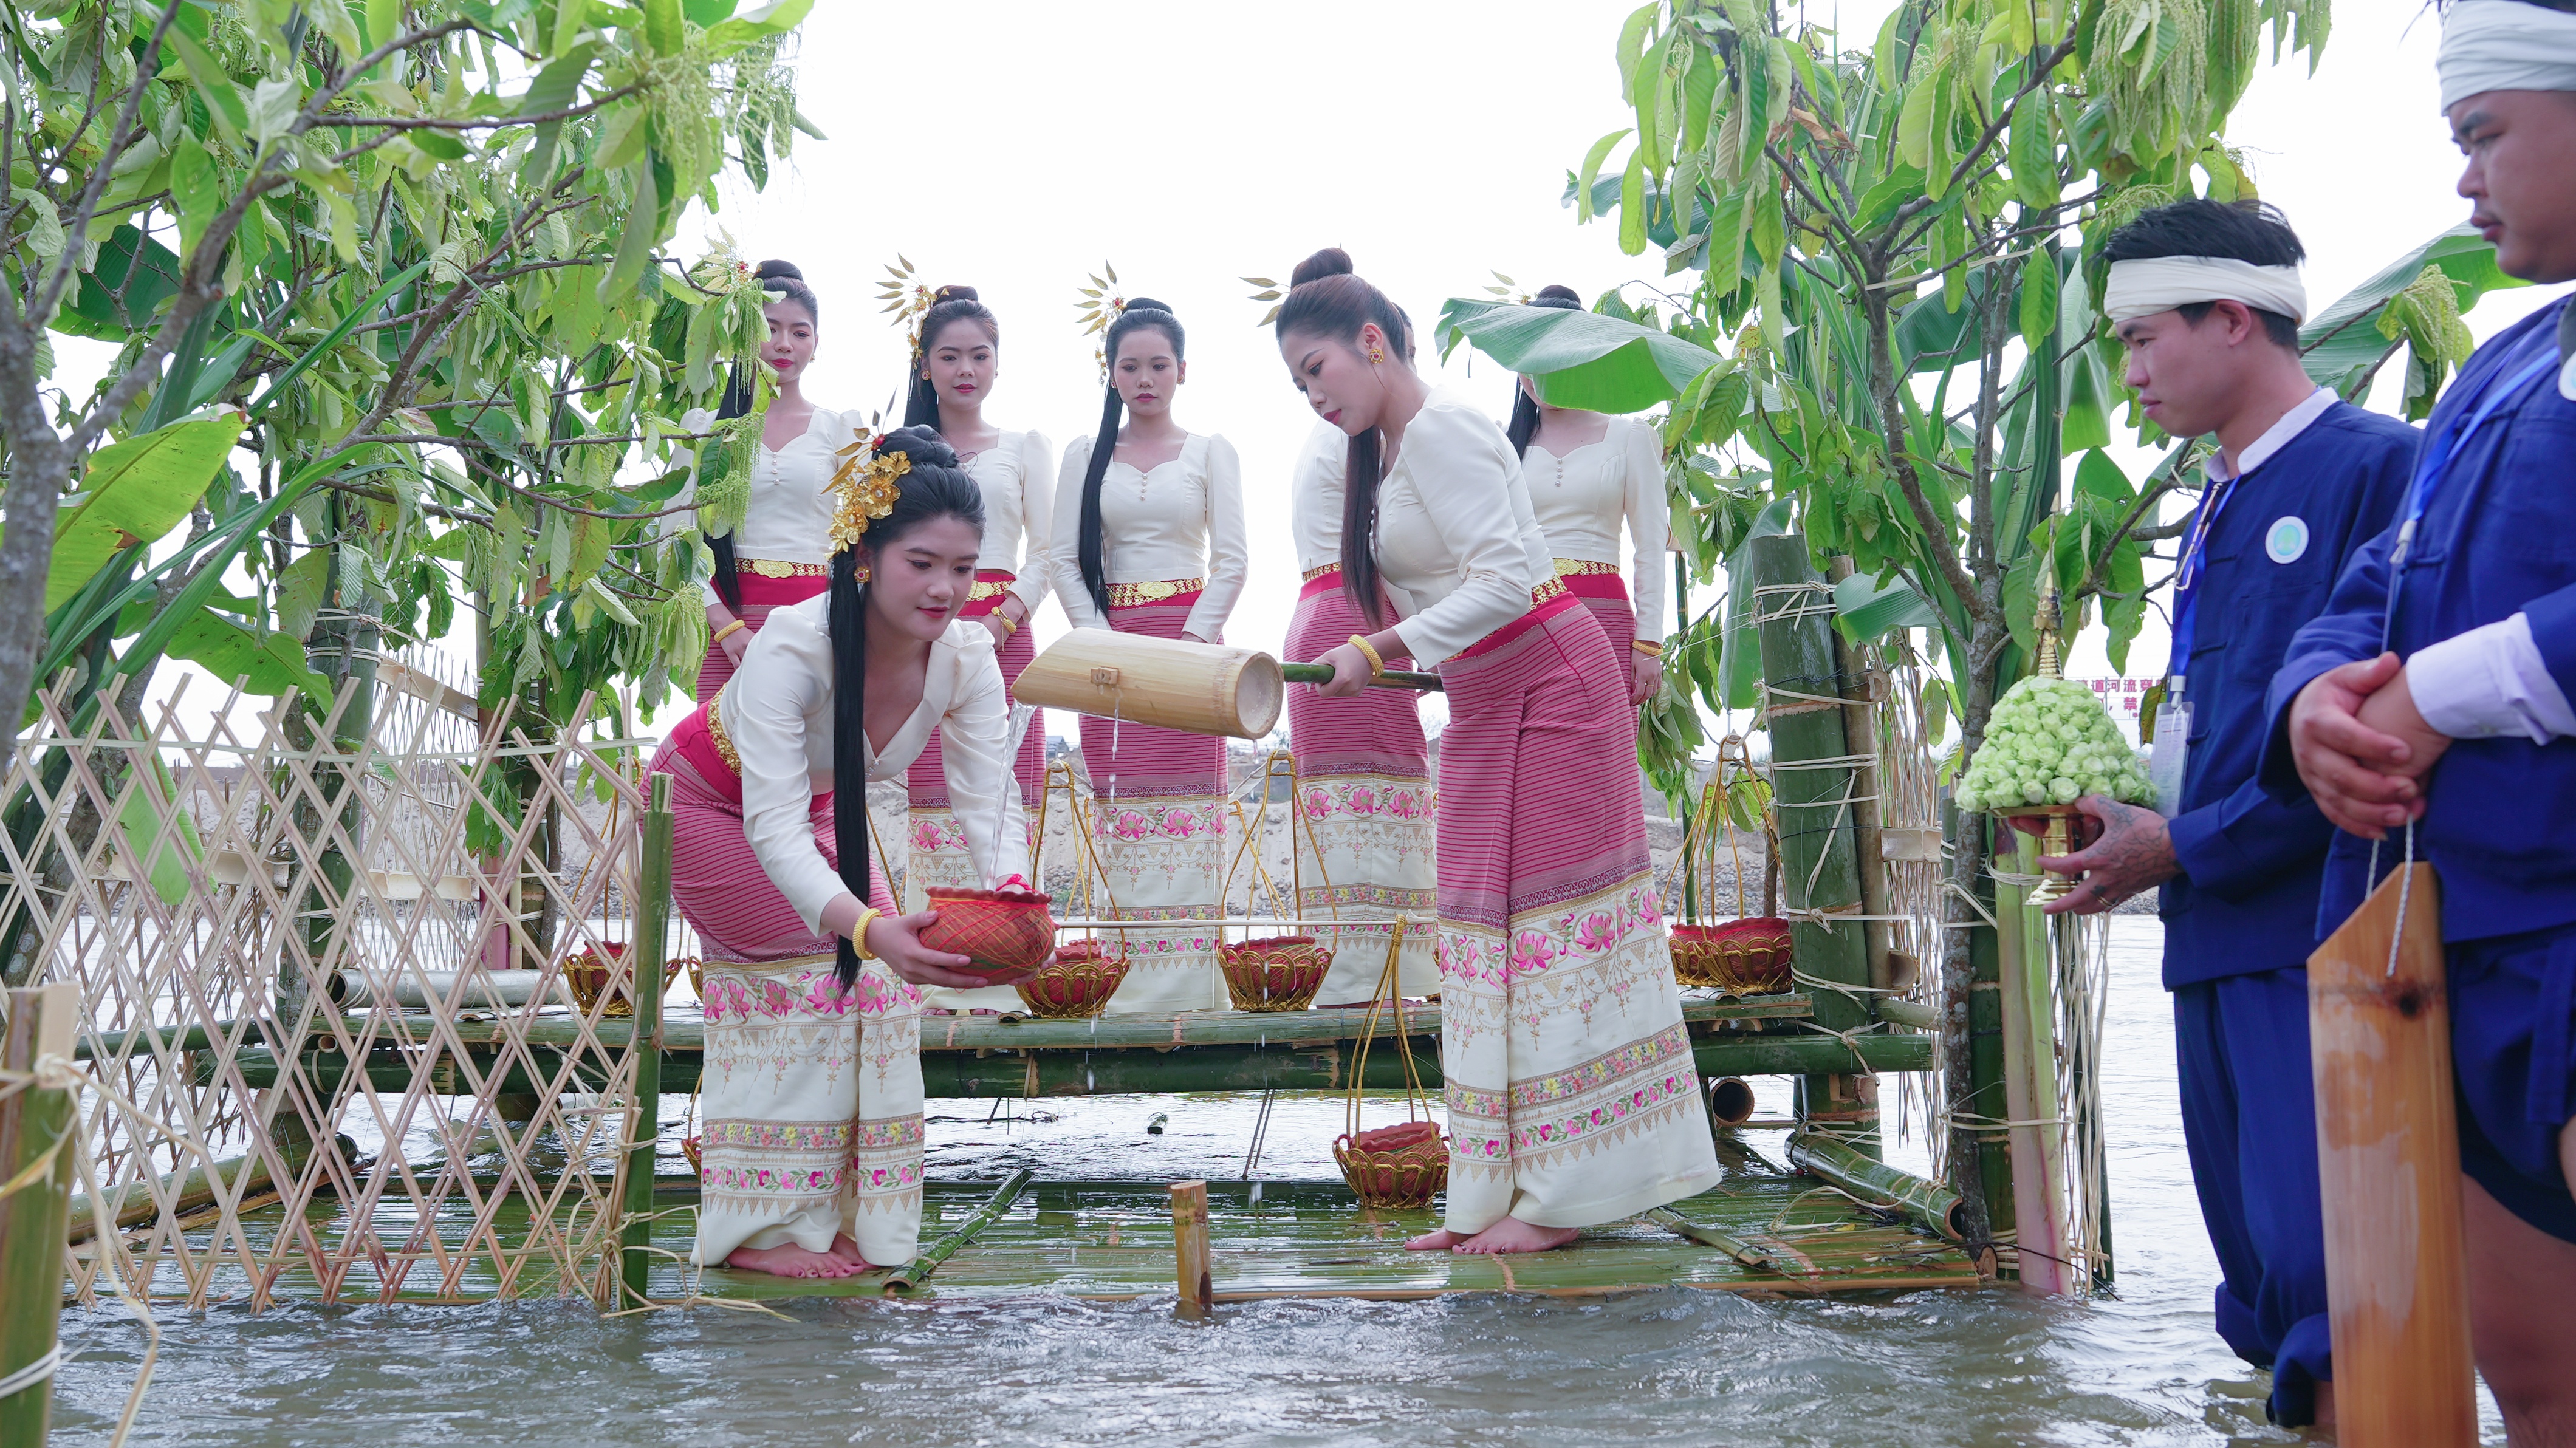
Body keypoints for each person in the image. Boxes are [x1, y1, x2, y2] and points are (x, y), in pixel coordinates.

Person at [2019, 200, 2416, 1429]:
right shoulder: (2218, 498)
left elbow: (2383, 734)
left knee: (2335, 1293)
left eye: (2142, 339)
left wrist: (2180, 840)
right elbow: (2223, 720)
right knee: (2252, 1292)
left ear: (2232, 319)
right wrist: (2130, 816)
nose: (2127, 372)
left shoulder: (2377, 467)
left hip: (2323, 933)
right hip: (2204, 929)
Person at [1276, 248, 1720, 1254]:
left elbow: (1513, 576)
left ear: (1374, 343)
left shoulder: (1444, 430)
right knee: (1480, 932)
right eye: (1297, 381)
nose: (1311, 393)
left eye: (1318, 368)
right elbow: (1452, 598)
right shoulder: (1385, 455)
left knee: (1549, 925)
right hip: (1486, 697)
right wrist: (1398, 658)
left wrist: (1378, 649)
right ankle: (1490, 1190)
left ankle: (1564, 1197)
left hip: (1557, 686)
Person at [2266, 2, 2576, 1434]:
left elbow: (2433, 658)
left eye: (2480, 135)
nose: (2463, 181)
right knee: (2528, 1374)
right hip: (2455, 941)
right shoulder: (2495, 370)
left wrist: (2436, 694)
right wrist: (2312, 705)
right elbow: (2363, 591)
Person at [652, 426, 1034, 1279]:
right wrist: (865, 929)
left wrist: (1012, 895)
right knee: (815, 970)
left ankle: (855, 1218)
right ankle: (754, 1233)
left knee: (883, 987)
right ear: (865, 554)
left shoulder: (968, 657)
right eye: (922, 563)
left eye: (965, 568)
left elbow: (989, 798)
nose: (946, 588)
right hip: (710, 806)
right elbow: (772, 828)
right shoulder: (797, 640)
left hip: (820, 810)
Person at [1048, 298, 1249, 1014]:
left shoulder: (1209, 451)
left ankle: (1195, 995)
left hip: (1192, 652)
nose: (1144, 378)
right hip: (1111, 657)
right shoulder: (1084, 455)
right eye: (1128, 365)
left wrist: (1192, 646)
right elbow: (1063, 560)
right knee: (1124, 813)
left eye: (1158, 364)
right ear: (1110, 373)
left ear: (1182, 370)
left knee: (1192, 812)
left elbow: (1231, 562)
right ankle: (1126, 994)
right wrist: (1101, 640)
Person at [894, 287, 1056, 1010]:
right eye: (949, 355)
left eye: (979, 355)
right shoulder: (892, 453)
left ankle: (1006, 960)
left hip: (1004, 637)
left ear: (997, 363)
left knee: (999, 783)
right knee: (919, 787)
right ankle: (928, 966)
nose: (965, 368)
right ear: (924, 365)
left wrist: (1002, 621)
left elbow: (1049, 550)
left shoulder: (1022, 448)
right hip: (915, 634)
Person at [1286, 417, 1439, 1003]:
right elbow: (1395, 547)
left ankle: (1338, 974)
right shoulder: (1370, 438)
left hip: (1313, 613)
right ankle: (1390, 978)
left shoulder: (1315, 441)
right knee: (1383, 796)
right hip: (1361, 615)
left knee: (1338, 805)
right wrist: (1430, 639)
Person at [1506, 284, 1669, 708]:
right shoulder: (1503, 445)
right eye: (1529, 358)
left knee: (1595, 765)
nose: (1536, 373)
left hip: (1604, 619)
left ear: (1578, 356)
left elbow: (1651, 546)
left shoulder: (1630, 436)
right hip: (1518, 620)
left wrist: (1649, 642)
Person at [693, 261, 847, 701]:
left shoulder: (842, 432)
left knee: (811, 761)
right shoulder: (706, 427)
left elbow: (867, 540)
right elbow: (676, 539)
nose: (784, 344)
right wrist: (723, 625)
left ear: (817, 344)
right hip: (729, 628)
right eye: (770, 328)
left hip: (817, 626)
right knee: (722, 759)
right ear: (746, 335)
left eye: (800, 333)